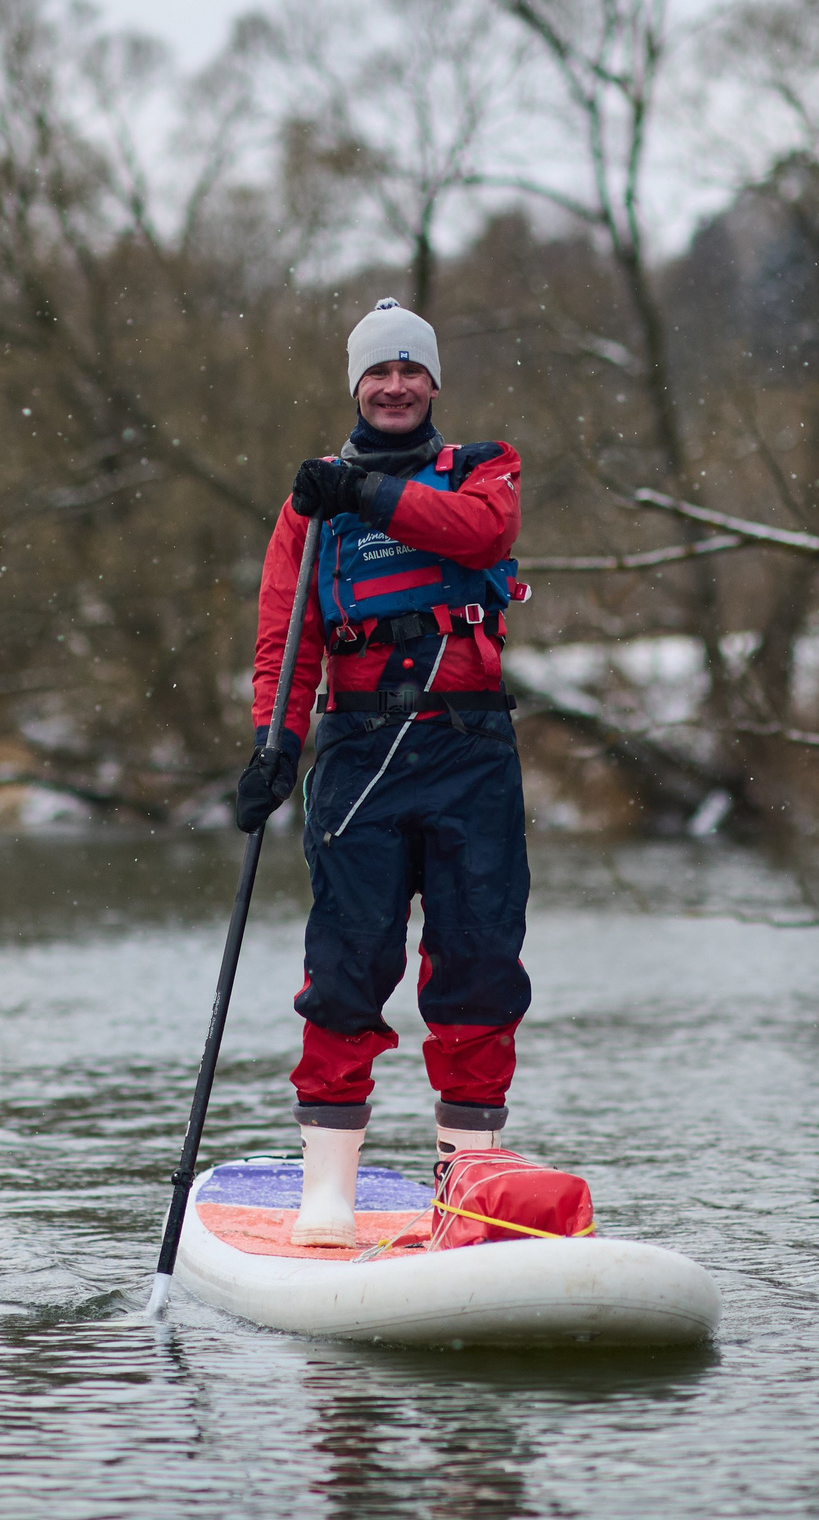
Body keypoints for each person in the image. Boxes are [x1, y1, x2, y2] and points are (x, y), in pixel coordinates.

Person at [234, 298, 531, 1246]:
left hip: (471, 749)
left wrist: (363, 493)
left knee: (479, 961)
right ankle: (328, 1194)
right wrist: (273, 746)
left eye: (412, 371)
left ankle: (466, 1184)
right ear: (356, 385)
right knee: (349, 964)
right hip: (359, 752)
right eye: (378, 372)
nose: (395, 386)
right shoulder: (308, 507)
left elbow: (480, 534)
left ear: (432, 383)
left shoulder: (484, 470)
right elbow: (287, 634)